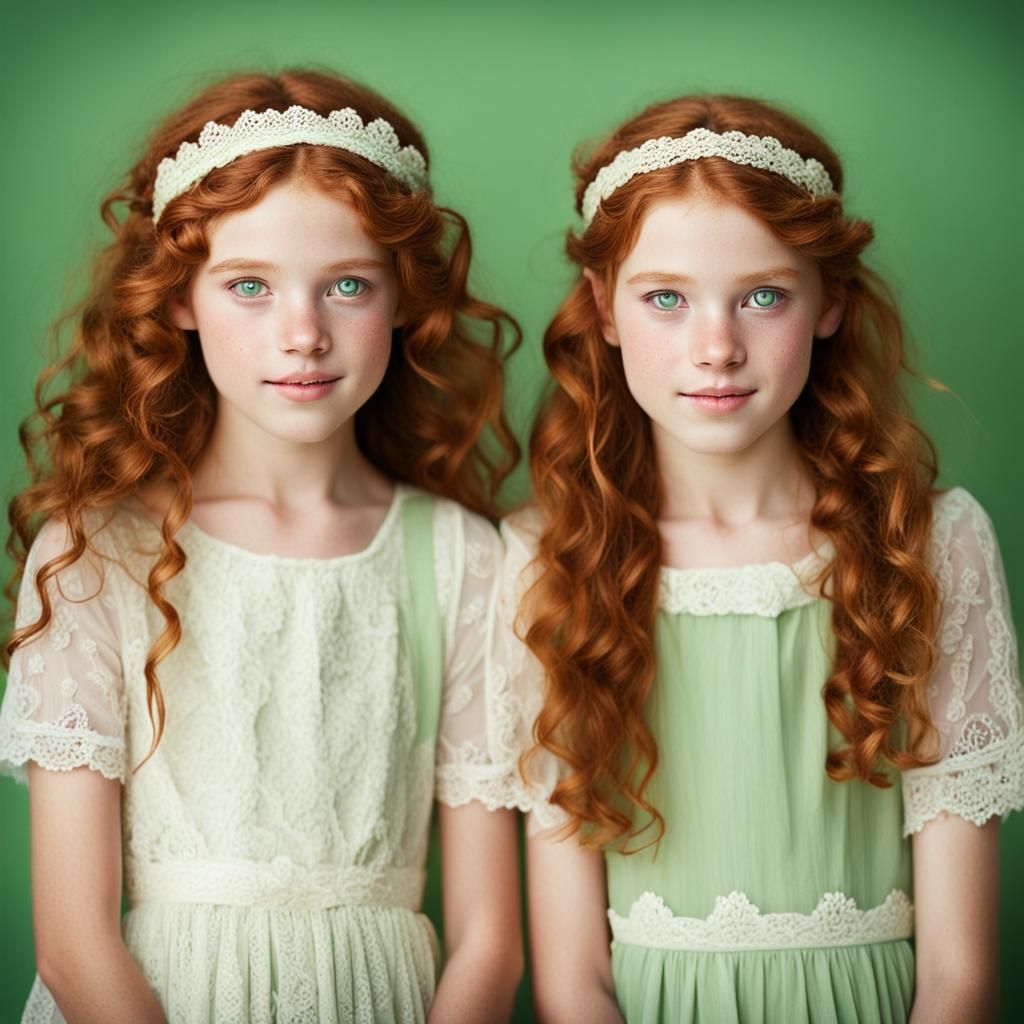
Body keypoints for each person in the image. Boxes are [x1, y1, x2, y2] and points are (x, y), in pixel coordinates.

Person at [0, 69, 529, 1024]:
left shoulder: (464, 559)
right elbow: (75, 946)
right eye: (249, 285)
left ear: (403, 298)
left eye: (347, 286)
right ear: (178, 302)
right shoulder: (97, 553)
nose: (304, 334)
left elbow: (489, 942)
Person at [501, 95, 1024, 1022]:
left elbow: (961, 979)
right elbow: (572, 979)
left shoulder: (931, 544)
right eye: (666, 298)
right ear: (604, 310)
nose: (717, 348)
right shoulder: (548, 559)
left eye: (764, 296)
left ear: (828, 305)